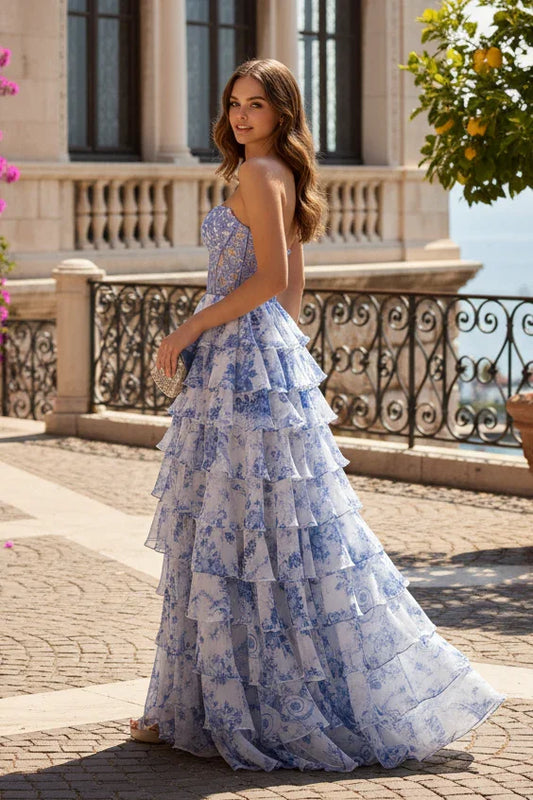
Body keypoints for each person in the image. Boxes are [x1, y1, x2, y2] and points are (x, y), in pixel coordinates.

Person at [129, 58, 504, 771]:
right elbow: (291, 290)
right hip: (260, 362)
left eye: (256, 106)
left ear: (281, 114)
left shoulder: (256, 176)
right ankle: (214, 699)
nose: (241, 117)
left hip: (240, 361)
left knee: (229, 532)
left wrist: (191, 329)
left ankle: (226, 706)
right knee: (265, 535)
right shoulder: (280, 176)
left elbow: (268, 277)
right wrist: (279, 366)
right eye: (234, 103)